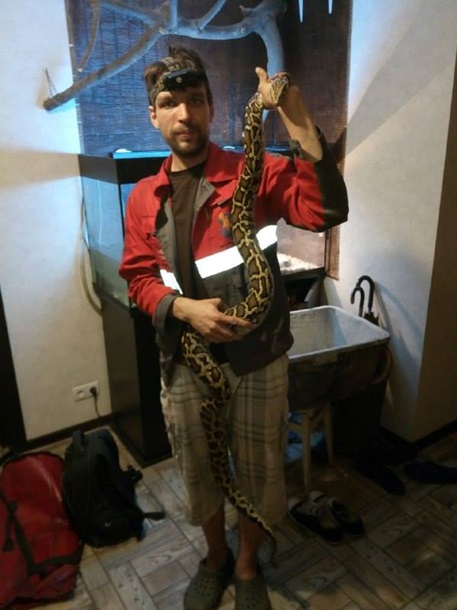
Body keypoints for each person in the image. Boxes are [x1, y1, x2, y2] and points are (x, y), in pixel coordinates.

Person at [119, 45, 348, 610]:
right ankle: (216, 557)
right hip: (185, 360)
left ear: (212, 107)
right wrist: (183, 309)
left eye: (196, 101)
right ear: (153, 114)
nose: (185, 114)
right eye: (170, 103)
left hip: (257, 357)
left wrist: (294, 115)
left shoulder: (254, 172)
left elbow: (326, 212)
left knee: (260, 468)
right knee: (199, 469)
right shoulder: (145, 198)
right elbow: (139, 279)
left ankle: (247, 564)